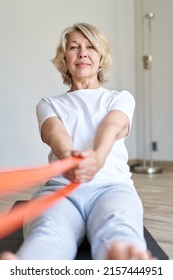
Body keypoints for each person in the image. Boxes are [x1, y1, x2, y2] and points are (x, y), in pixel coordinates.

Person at [0, 22, 154, 260]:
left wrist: (98, 158)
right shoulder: (49, 104)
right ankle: (29, 267)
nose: (82, 52)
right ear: (64, 58)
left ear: (101, 57)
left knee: (119, 230)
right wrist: (70, 157)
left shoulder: (120, 98)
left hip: (112, 187)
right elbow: (55, 135)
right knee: (50, 232)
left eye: (90, 46)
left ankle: (124, 262)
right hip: (60, 188)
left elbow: (111, 126)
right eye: (74, 47)